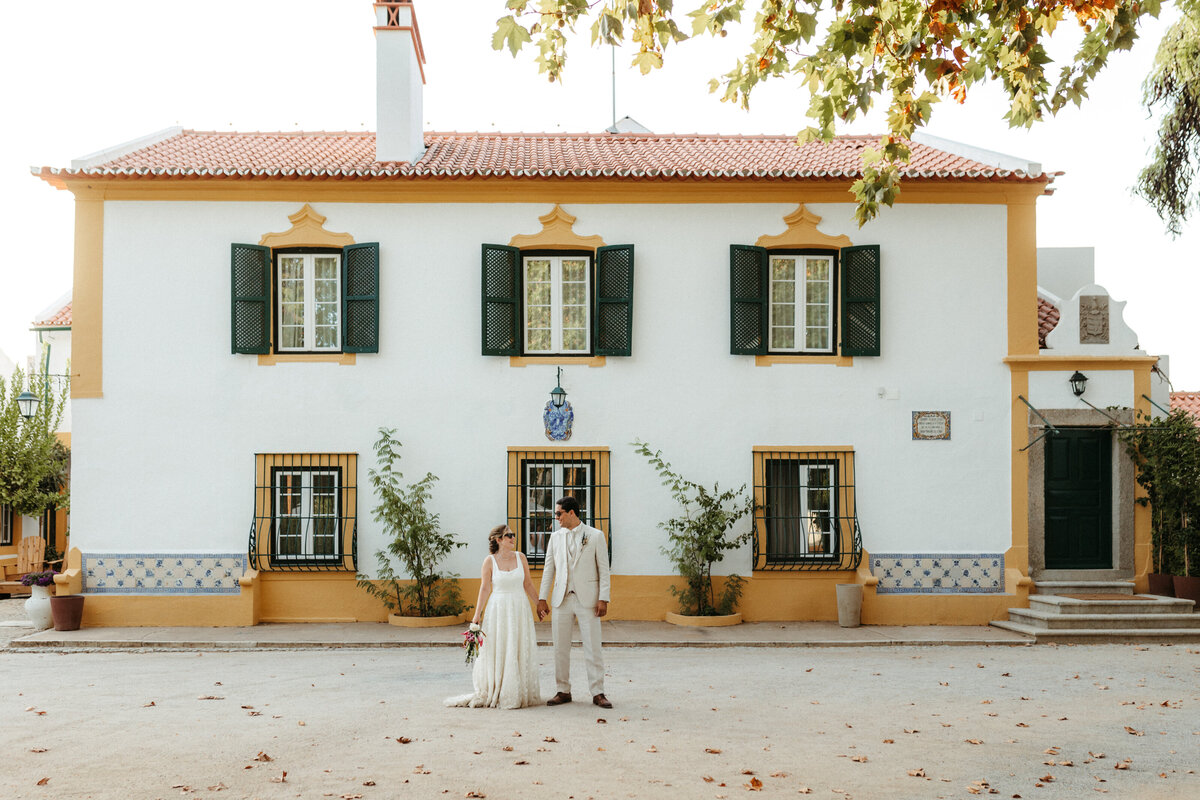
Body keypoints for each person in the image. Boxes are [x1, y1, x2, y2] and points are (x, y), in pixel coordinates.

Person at [444, 525, 541, 709]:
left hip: (519, 608)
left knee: (517, 645)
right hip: (498, 609)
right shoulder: (489, 561)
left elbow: (527, 583)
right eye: (508, 535)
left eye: (513, 535)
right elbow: (485, 588)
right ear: (498, 540)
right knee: (500, 647)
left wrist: (539, 604)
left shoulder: (521, 557)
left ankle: (516, 689)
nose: (513, 538)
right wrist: (477, 615)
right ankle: (496, 687)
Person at [537, 495, 612, 709]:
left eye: (559, 513)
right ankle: (563, 690)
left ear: (571, 513)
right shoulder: (555, 538)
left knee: (593, 646)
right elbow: (548, 569)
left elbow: (604, 570)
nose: (556, 517)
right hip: (562, 598)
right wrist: (542, 598)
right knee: (560, 647)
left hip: (588, 599)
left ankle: (598, 692)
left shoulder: (595, 536)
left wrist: (603, 598)